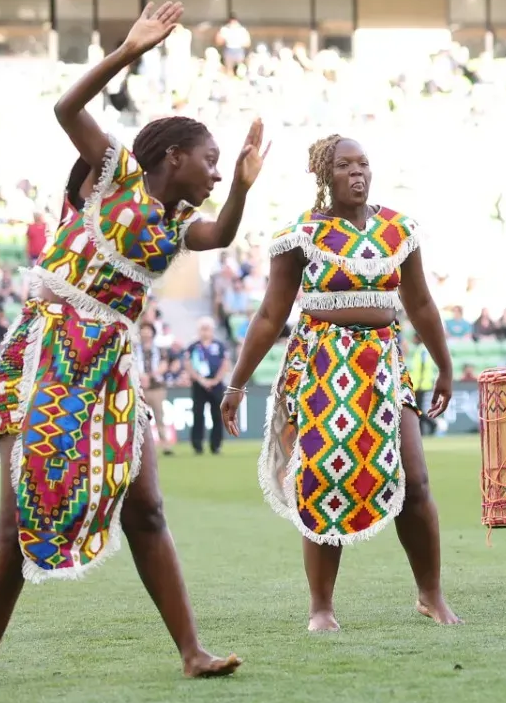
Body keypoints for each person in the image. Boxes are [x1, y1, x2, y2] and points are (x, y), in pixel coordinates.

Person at [0, 0, 266, 692]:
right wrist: (129, 50)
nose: (217, 174)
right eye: (213, 163)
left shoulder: (178, 220)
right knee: (16, 517)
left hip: (110, 366)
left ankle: (192, 651)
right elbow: (67, 108)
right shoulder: (115, 173)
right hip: (49, 351)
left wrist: (245, 190)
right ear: (174, 156)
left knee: (148, 509)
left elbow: (219, 235)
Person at [224, 135, 460, 631]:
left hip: (384, 364)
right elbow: (271, 314)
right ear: (324, 176)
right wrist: (237, 384)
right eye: (344, 165)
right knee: (322, 478)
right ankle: (321, 608)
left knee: (414, 481)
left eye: (364, 164)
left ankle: (431, 595)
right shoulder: (302, 235)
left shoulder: (399, 229)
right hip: (321, 367)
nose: (357, 173)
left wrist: (444, 364)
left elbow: (420, 304)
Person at [186, 317, 230, 454]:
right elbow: (188, 364)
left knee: (217, 414)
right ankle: (197, 445)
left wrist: (216, 380)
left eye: (207, 328)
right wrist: (200, 380)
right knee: (198, 414)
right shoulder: (194, 347)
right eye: (202, 329)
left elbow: (225, 363)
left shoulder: (219, 346)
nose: (205, 332)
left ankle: (216, 445)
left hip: (216, 384)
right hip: (199, 384)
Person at [138, 321, 172, 456]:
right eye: (143, 330)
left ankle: (165, 445)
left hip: (156, 388)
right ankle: (139, 447)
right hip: (139, 388)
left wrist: (149, 376)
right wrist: (141, 377)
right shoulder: (134, 349)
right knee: (139, 418)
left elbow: (164, 366)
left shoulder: (159, 350)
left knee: (159, 417)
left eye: (148, 330)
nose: (146, 333)